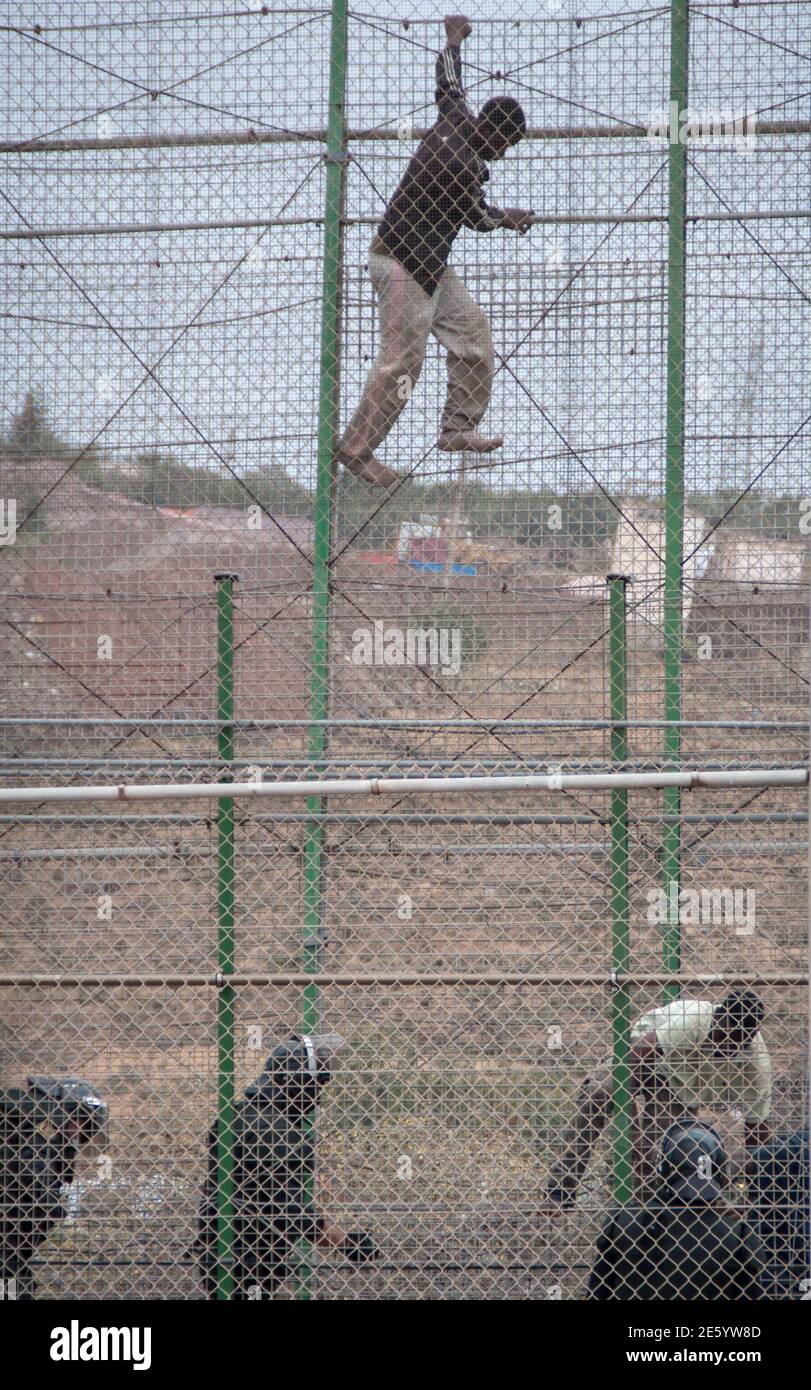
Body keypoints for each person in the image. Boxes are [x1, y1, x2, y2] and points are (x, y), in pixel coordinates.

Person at [335, 14, 534, 486]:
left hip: (428, 267)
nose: (503, 156)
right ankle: (356, 451)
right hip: (400, 262)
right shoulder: (461, 162)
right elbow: (479, 218)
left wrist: (452, 39)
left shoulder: (457, 114)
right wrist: (509, 218)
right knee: (402, 361)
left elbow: (448, 78)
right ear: (495, 134)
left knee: (474, 335)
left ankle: (458, 427)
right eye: (505, 146)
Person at [548, 990, 772, 1207]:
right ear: (718, 1018)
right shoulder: (692, 1021)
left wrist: (753, 1196)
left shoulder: (756, 1063)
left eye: (736, 1045)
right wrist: (634, 1134)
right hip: (642, 1055)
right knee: (598, 1094)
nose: (726, 1047)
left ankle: (648, 1215)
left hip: (679, 1086)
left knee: (666, 1151)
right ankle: (561, 1190)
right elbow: (629, 1066)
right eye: (723, 1037)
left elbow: (758, 1132)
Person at [196, 1033, 379, 1299]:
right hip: (251, 1257)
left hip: (218, 1247)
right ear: (298, 1084)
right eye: (316, 1085)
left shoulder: (237, 1115)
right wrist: (347, 1243)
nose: (317, 1095)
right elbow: (291, 1212)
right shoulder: (281, 1133)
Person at [587, 1118, 769, 1299]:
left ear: (664, 1168)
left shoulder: (622, 1220)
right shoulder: (736, 1232)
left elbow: (597, 1292)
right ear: (719, 1169)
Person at [0, 1077, 108, 1300]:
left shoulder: (42, 1145)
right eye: (78, 1120)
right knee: (13, 1290)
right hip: (7, 1251)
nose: (79, 1131)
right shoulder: (25, 1142)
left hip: (12, 1252)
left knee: (16, 1286)